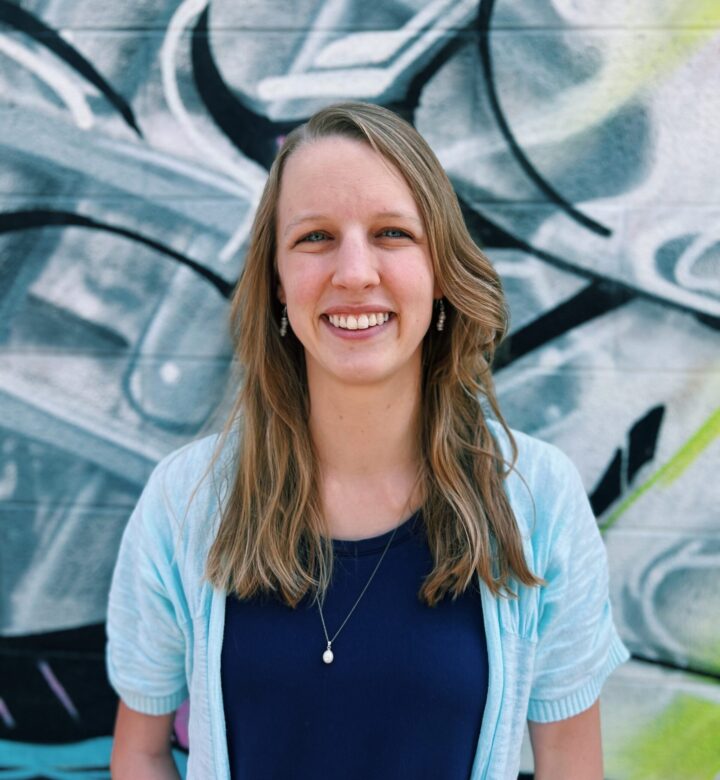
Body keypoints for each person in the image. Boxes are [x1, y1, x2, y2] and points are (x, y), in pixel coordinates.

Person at [106, 102, 629, 779]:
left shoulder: (536, 498)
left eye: (391, 233)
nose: (354, 272)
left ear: (440, 272)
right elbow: (141, 751)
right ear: (277, 283)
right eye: (315, 237)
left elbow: (569, 765)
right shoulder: (188, 501)